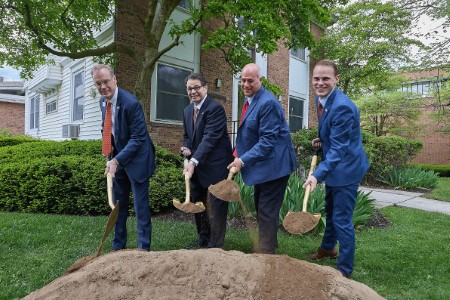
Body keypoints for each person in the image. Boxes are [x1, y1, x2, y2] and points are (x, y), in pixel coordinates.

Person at [303, 59, 370, 279]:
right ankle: (328, 248)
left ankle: (345, 271)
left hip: (346, 168)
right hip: (336, 166)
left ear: (336, 79)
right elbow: (334, 134)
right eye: (316, 78)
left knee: (341, 218)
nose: (320, 83)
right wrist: (322, 139)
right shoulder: (321, 98)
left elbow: (340, 148)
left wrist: (316, 175)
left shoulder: (343, 106)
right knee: (331, 211)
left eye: (325, 79)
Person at [227, 63, 297, 254]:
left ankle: (265, 254)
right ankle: (269, 246)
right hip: (264, 164)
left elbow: (267, 142)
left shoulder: (268, 103)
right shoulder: (250, 99)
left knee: (266, 211)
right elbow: (250, 134)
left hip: (275, 165)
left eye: (251, 80)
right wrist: (237, 153)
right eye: (243, 80)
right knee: (263, 208)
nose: (246, 84)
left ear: (261, 80)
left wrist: (242, 160)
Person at [92, 64, 156, 251]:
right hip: (118, 160)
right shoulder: (103, 102)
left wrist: (116, 160)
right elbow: (109, 132)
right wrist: (110, 158)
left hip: (137, 161)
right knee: (118, 206)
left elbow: (138, 138)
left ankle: (143, 249)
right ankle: (118, 247)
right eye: (98, 84)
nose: (103, 87)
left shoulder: (131, 103)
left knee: (140, 208)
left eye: (106, 82)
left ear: (115, 79)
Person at [180, 73, 234, 249]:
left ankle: (215, 244)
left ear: (206, 88)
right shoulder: (187, 110)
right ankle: (203, 238)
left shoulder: (215, 109)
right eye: (189, 88)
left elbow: (210, 138)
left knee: (217, 204)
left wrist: (193, 161)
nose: (193, 91)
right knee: (198, 201)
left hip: (216, 164)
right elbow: (188, 136)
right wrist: (186, 147)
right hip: (196, 164)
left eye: (196, 87)